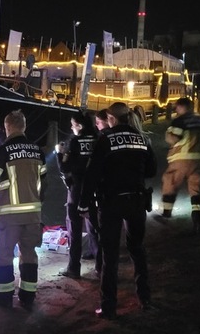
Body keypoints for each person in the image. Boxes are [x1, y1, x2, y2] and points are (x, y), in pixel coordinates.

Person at [80, 102, 157, 319]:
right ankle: (145, 298)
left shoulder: (105, 139)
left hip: (111, 203)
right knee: (137, 249)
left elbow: (92, 173)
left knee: (110, 255)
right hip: (137, 201)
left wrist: (83, 203)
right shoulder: (142, 138)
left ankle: (108, 307)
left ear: (111, 118)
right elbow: (151, 169)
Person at [0, 110, 46, 311]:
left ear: (7, 127)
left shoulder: (2, 151)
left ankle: (4, 296)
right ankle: (27, 297)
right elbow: (44, 182)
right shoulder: (37, 151)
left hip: (9, 216)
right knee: (29, 253)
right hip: (33, 214)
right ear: (24, 127)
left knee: (2, 254)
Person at [56, 111, 101, 280]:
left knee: (74, 230)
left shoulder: (75, 142)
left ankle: (74, 268)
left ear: (80, 126)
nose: (71, 127)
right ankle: (100, 266)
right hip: (95, 190)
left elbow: (65, 168)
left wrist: (59, 153)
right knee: (95, 229)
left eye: (73, 124)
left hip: (77, 190)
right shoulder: (98, 140)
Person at [160, 97, 200, 233]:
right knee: (196, 191)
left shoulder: (180, 121)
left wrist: (168, 134)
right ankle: (198, 220)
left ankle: (167, 212)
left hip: (180, 160)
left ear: (180, 107)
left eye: (177, 108)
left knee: (170, 183)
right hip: (199, 161)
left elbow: (173, 138)